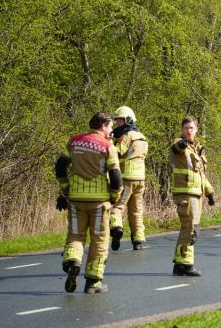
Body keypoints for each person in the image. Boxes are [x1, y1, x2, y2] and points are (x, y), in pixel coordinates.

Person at [54, 112, 122, 293]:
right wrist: (115, 196)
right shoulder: (108, 146)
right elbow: (115, 177)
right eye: (110, 127)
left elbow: (60, 166)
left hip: (76, 199)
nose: (111, 130)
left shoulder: (73, 141)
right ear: (102, 126)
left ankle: (72, 261)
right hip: (99, 201)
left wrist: (66, 189)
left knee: (76, 236)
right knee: (99, 240)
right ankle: (93, 281)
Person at [170, 116, 215, 276]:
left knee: (187, 229)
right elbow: (177, 147)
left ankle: (180, 264)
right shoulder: (178, 143)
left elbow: (200, 173)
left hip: (196, 194)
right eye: (186, 128)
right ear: (182, 129)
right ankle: (187, 265)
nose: (188, 131)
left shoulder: (197, 147)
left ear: (196, 130)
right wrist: (183, 143)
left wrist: (209, 191)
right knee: (192, 229)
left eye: (191, 128)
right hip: (185, 193)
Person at [108, 106, 149, 251]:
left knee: (118, 206)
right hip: (140, 179)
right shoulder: (143, 137)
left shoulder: (126, 136)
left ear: (128, 120)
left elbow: (116, 153)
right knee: (136, 210)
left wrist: (108, 143)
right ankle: (137, 240)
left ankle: (116, 228)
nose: (117, 124)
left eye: (119, 121)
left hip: (126, 178)